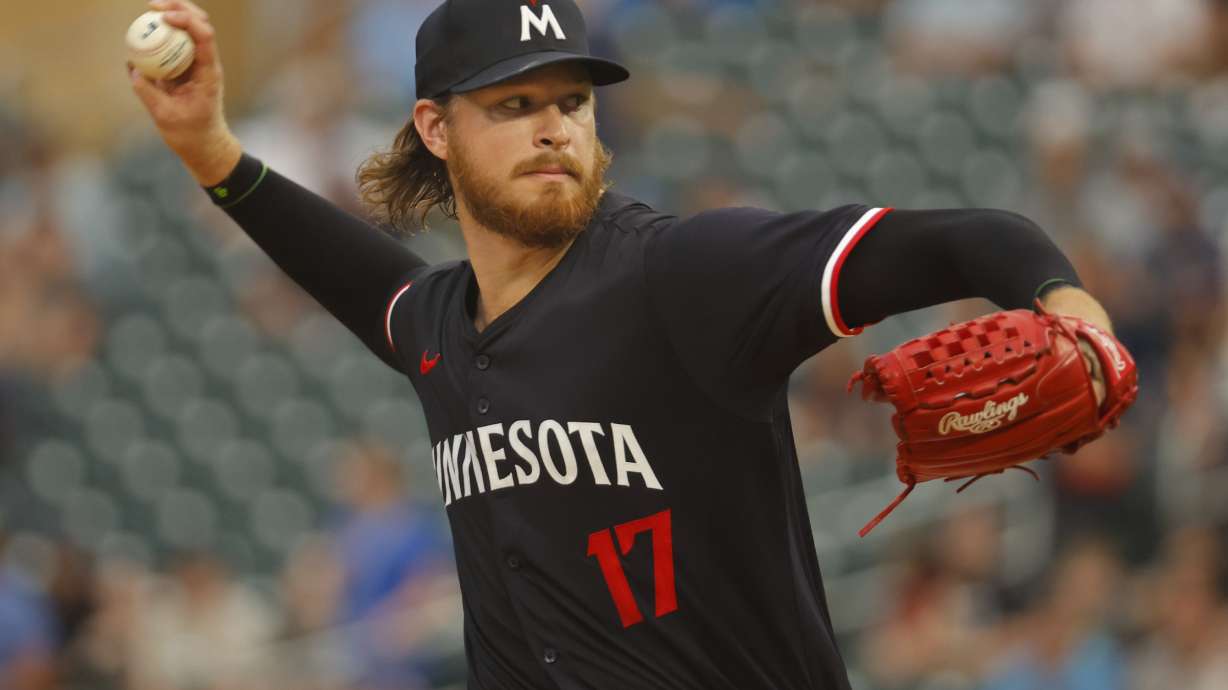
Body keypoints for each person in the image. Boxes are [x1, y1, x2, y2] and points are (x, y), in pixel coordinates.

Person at [128, 0, 1115, 687]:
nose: (552, 126)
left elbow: (955, 237)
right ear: (435, 127)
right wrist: (208, 148)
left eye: (571, 101)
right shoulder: (438, 330)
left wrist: (1068, 303)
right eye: (513, 105)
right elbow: (353, 273)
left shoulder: (684, 277)